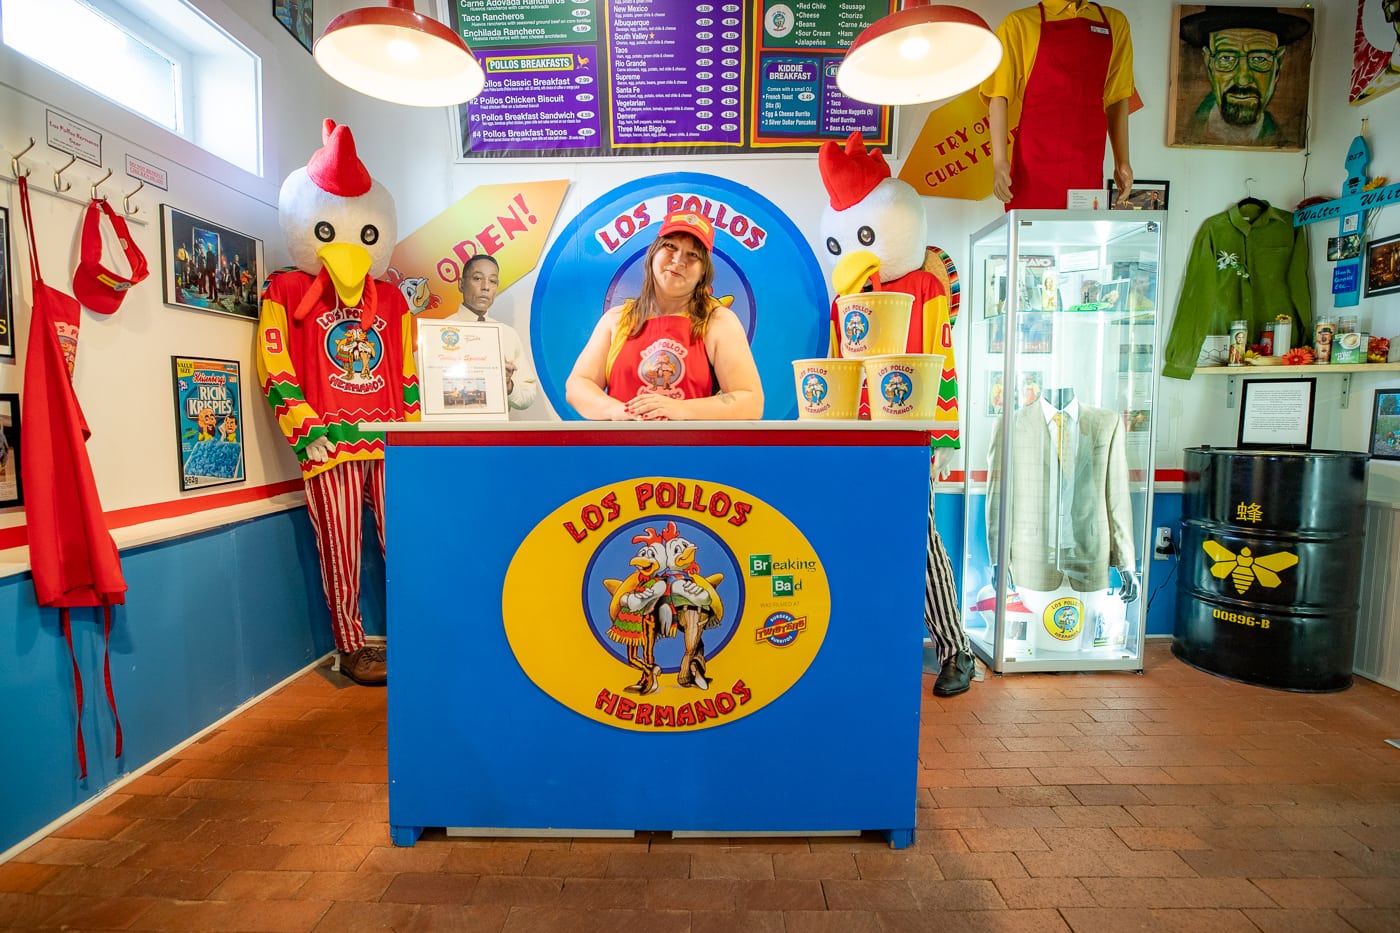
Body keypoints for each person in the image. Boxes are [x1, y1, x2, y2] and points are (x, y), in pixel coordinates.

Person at [565, 211, 763, 421]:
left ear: (703, 272)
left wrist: (681, 410)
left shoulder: (718, 321)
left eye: (693, 255)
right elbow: (578, 386)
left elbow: (750, 402)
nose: (678, 260)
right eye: (671, 246)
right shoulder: (616, 320)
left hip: (693, 452)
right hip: (620, 450)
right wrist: (616, 411)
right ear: (653, 254)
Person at [980, 1, 1136, 210]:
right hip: (1035, 163)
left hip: (1087, 162)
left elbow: (1117, 97)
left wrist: (1122, 161)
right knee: (1029, 237)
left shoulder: (1115, 23)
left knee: (1082, 237)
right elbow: (998, 95)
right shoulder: (1019, 23)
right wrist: (999, 162)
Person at [1179, 6, 1313, 146]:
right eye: (1226, 59)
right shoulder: (1190, 128)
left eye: (1259, 59)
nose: (1242, 80)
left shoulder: (1282, 140)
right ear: (1208, 64)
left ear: (1277, 65)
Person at [452, 254, 539, 415]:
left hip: (494, 434)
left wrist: (508, 385)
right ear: (461, 284)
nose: (485, 287)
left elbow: (528, 394)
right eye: (477, 278)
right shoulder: (437, 331)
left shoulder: (507, 335)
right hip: (450, 433)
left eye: (492, 281)